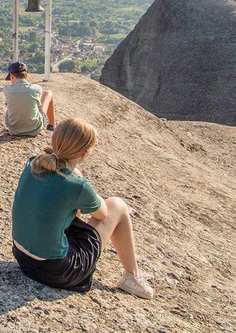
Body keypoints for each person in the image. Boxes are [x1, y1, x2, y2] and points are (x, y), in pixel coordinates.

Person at [11, 118, 155, 299]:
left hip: (22, 258)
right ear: (86, 152)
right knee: (117, 206)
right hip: (56, 272)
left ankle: (132, 276)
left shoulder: (33, 164)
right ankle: (132, 277)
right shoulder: (77, 186)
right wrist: (82, 184)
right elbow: (102, 213)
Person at [3, 60, 56, 136]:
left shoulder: (7, 89)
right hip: (34, 129)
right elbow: (38, 106)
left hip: (14, 130)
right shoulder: (36, 88)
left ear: (11, 76)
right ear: (26, 75)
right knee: (48, 93)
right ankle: (51, 126)